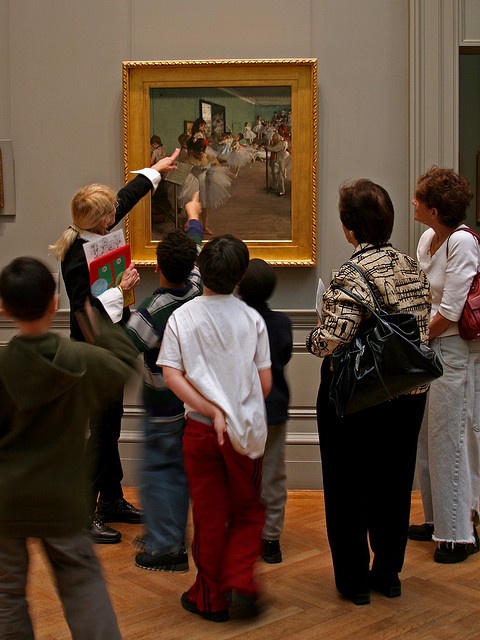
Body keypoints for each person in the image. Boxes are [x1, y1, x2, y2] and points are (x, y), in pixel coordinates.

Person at [0, 257, 140, 639]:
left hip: (7, 499)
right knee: (81, 586)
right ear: (54, 304)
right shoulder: (79, 360)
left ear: (3, 307)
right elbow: (126, 362)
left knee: (6, 596)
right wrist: (99, 317)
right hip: (61, 499)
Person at [306, 179, 431, 605]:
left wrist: (311, 340)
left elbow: (332, 339)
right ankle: (388, 575)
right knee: (394, 483)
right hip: (408, 392)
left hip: (359, 397)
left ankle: (355, 582)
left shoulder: (350, 273)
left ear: (349, 227)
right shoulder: (412, 266)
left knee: (347, 486)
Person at [49, 150, 180, 544]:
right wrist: (119, 291)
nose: (116, 215)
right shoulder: (75, 255)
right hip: (92, 355)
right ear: (100, 220)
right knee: (101, 433)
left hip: (111, 351)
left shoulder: (95, 225)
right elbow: (82, 314)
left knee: (111, 427)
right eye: (112, 214)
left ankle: (111, 500)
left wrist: (155, 172)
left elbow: (126, 195)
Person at [158, 235, 272, 622]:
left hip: (201, 431)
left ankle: (210, 597)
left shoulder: (182, 317)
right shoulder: (252, 319)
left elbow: (172, 375)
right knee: (247, 510)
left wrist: (209, 406)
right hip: (245, 432)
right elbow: (266, 384)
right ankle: (240, 579)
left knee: (208, 515)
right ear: (240, 276)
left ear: (199, 271)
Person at [124, 193, 203, 572]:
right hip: (191, 402)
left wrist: (120, 296)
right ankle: (165, 534)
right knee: (177, 471)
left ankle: (167, 547)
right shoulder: (198, 288)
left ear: (157, 266)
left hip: (161, 406)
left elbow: (124, 345)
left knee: (160, 472)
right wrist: (192, 217)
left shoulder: (153, 309)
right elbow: (196, 247)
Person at [409, 166, 480, 563]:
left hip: (451, 351)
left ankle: (458, 535)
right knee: (426, 437)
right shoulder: (427, 238)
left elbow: (450, 312)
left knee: (449, 438)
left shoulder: (462, 243)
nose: (413, 202)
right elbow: (425, 298)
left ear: (435, 210)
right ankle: (438, 519)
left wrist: (414, 338)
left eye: (420, 199)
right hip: (431, 346)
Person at [238, 259, 293, 564]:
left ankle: (243, 530)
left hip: (242, 409)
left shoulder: (235, 321)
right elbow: (282, 356)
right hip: (273, 407)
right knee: (273, 473)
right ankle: (270, 539)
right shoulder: (282, 323)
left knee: (241, 473)